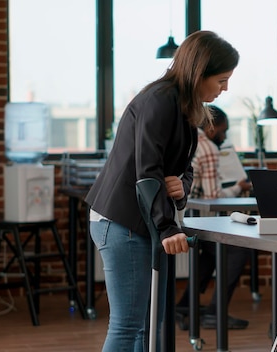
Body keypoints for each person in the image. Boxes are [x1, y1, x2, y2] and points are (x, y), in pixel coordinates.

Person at [85, 30, 239, 351]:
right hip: (122, 221)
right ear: (200, 72)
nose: (226, 88)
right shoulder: (160, 100)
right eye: (222, 79)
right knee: (130, 327)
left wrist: (180, 186)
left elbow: (184, 169)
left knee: (148, 326)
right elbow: (147, 171)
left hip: (140, 220)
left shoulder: (184, 106)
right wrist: (168, 226)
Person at [176, 105, 251, 330]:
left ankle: (184, 307)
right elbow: (213, 198)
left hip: (183, 215)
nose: (224, 136)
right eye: (223, 130)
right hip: (197, 218)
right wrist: (238, 188)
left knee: (211, 252)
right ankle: (215, 313)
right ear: (210, 128)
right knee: (239, 248)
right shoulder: (206, 146)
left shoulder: (186, 139)